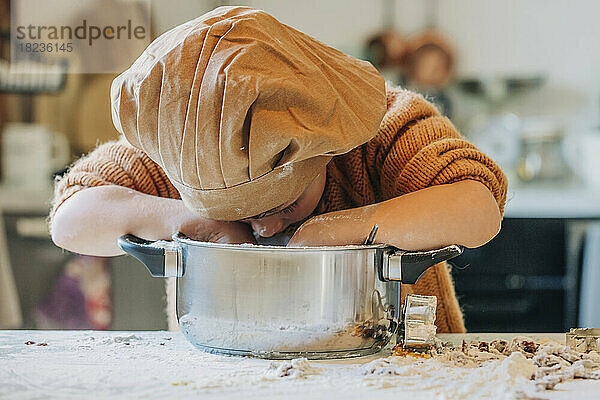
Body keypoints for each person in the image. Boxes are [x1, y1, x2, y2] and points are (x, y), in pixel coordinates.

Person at [49, 6, 507, 333]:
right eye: (244, 212)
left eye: (285, 203)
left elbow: (478, 206)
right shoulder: (190, 148)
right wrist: (194, 222)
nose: (265, 227)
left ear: (327, 149)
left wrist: (330, 233)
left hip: (407, 369)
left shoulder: (383, 127)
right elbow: (71, 220)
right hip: (229, 376)